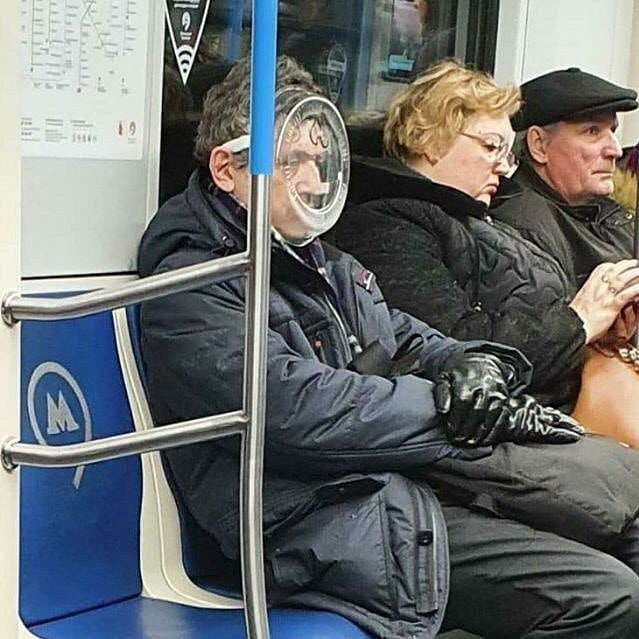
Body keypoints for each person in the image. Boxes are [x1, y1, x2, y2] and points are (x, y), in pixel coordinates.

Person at [137, 56, 639, 639]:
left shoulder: (323, 265)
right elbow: (298, 409)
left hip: (388, 479)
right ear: (228, 169)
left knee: (627, 517)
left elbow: (408, 338)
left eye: (320, 161)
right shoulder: (192, 287)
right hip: (313, 517)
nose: (315, 182)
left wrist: (473, 365)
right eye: (292, 161)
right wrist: (447, 406)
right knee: (607, 599)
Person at [328, 60, 639, 414]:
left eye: (505, 153)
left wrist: (595, 331)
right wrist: (578, 322)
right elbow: (457, 352)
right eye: (491, 147)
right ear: (430, 140)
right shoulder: (387, 227)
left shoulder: (475, 217)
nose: (503, 167)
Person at [493, 67, 638, 287]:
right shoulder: (521, 233)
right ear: (539, 145)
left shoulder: (602, 211)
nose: (616, 150)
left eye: (612, 131)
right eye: (592, 131)